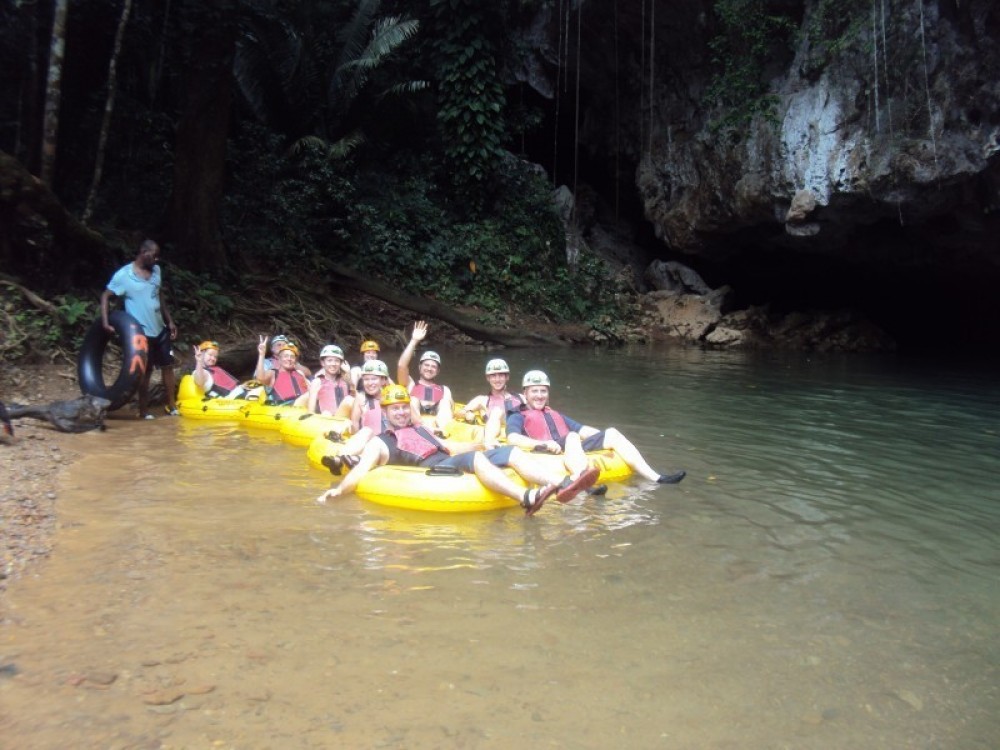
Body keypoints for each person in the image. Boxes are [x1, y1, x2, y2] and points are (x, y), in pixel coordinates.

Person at [317, 385, 600, 515]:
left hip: (450, 459)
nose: (401, 412)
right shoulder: (380, 441)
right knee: (476, 459)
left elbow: (451, 446)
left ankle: (562, 484)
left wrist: (484, 444)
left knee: (510, 453)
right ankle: (525, 497)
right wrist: (339, 490)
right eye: (396, 409)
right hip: (433, 472)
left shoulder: (421, 428)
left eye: (405, 407)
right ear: (386, 411)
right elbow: (361, 471)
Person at [505, 369, 686, 485]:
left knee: (612, 433)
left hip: (569, 448)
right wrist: (541, 444)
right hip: (545, 452)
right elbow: (512, 438)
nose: (539, 395)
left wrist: (606, 440)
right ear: (525, 394)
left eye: (543, 391)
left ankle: (657, 478)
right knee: (572, 437)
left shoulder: (555, 414)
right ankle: (578, 480)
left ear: (548, 393)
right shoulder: (517, 415)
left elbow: (583, 430)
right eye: (534, 391)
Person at [99, 239, 178, 419]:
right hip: (141, 333)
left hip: (160, 329)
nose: (157, 260)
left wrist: (170, 321)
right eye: (154, 256)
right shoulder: (124, 276)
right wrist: (105, 322)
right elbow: (105, 296)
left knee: (168, 366)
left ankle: (172, 406)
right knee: (146, 371)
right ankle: (144, 411)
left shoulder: (157, 271)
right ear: (144, 253)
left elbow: (159, 295)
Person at [397, 320, 455, 432]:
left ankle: (443, 432)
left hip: (439, 422)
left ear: (438, 371)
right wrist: (414, 341)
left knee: (445, 401)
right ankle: (421, 430)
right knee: (413, 399)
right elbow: (401, 366)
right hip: (416, 421)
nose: (429, 368)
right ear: (419, 367)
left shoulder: (444, 389)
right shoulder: (410, 384)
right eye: (426, 365)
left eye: (433, 366)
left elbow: (452, 409)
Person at [256, 337, 309, 406]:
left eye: (292, 357)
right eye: (286, 356)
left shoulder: (299, 373)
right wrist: (261, 354)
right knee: (314, 391)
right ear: (279, 359)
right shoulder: (273, 373)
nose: (289, 359)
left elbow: (309, 379)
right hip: (284, 407)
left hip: (303, 406)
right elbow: (260, 378)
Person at [307, 344, 354, 418]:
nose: (333, 364)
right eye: (329, 360)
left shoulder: (345, 380)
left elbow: (355, 401)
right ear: (323, 363)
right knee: (326, 413)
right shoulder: (317, 382)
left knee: (349, 399)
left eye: (337, 361)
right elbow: (311, 411)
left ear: (341, 363)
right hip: (327, 421)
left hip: (345, 420)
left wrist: (349, 376)